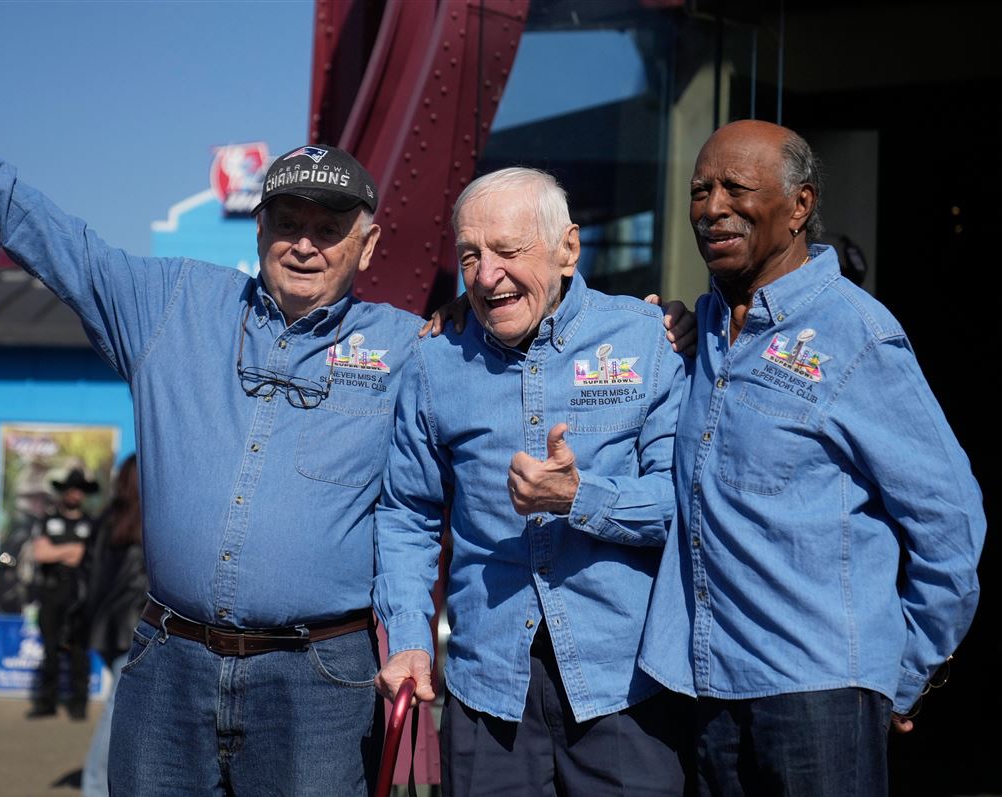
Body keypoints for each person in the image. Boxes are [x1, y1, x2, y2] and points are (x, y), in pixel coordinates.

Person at [0, 44, 422, 796]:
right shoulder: (172, 303)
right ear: (258, 228)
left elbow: (420, 503)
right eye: (286, 220)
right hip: (169, 663)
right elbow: (52, 240)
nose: (304, 242)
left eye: (328, 226)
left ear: (366, 243)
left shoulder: (409, 347)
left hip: (319, 682)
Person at [637, 120, 987, 795]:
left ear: (800, 206)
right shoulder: (699, 327)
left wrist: (901, 671)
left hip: (818, 698)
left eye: (737, 188)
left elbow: (953, 524)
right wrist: (456, 310)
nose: (712, 207)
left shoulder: (858, 335)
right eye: (699, 190)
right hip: (707, 689)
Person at [374, 168, 690, 794]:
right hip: (487, 693)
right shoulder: (436, 360)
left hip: (625, 688)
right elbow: (407, 515)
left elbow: (683, 505)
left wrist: (580, 499)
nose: (487, 276)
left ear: (568, 249)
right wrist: (409, 638)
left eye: (508, 252)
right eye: (470, 256)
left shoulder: (648, 340)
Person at [79, 455, 147, 797]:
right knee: (116, 713)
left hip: (107, 631)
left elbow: (87, 579)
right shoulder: (149, 522)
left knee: (126, 713)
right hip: (133, 631)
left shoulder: (108, 520)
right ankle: (95, 787)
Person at [28, 467, 98, 720]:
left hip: (79, 592)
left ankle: (78, 705)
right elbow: (40, 554)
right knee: (50, 648)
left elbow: (86, 556)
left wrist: (60, 551)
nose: (74, 494)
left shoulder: (91, 523)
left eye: (79, 489)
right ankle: (46, 703)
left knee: (79, 649)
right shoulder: (48, 519)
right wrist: (71, 550)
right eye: (70, 488)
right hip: (51, 589)